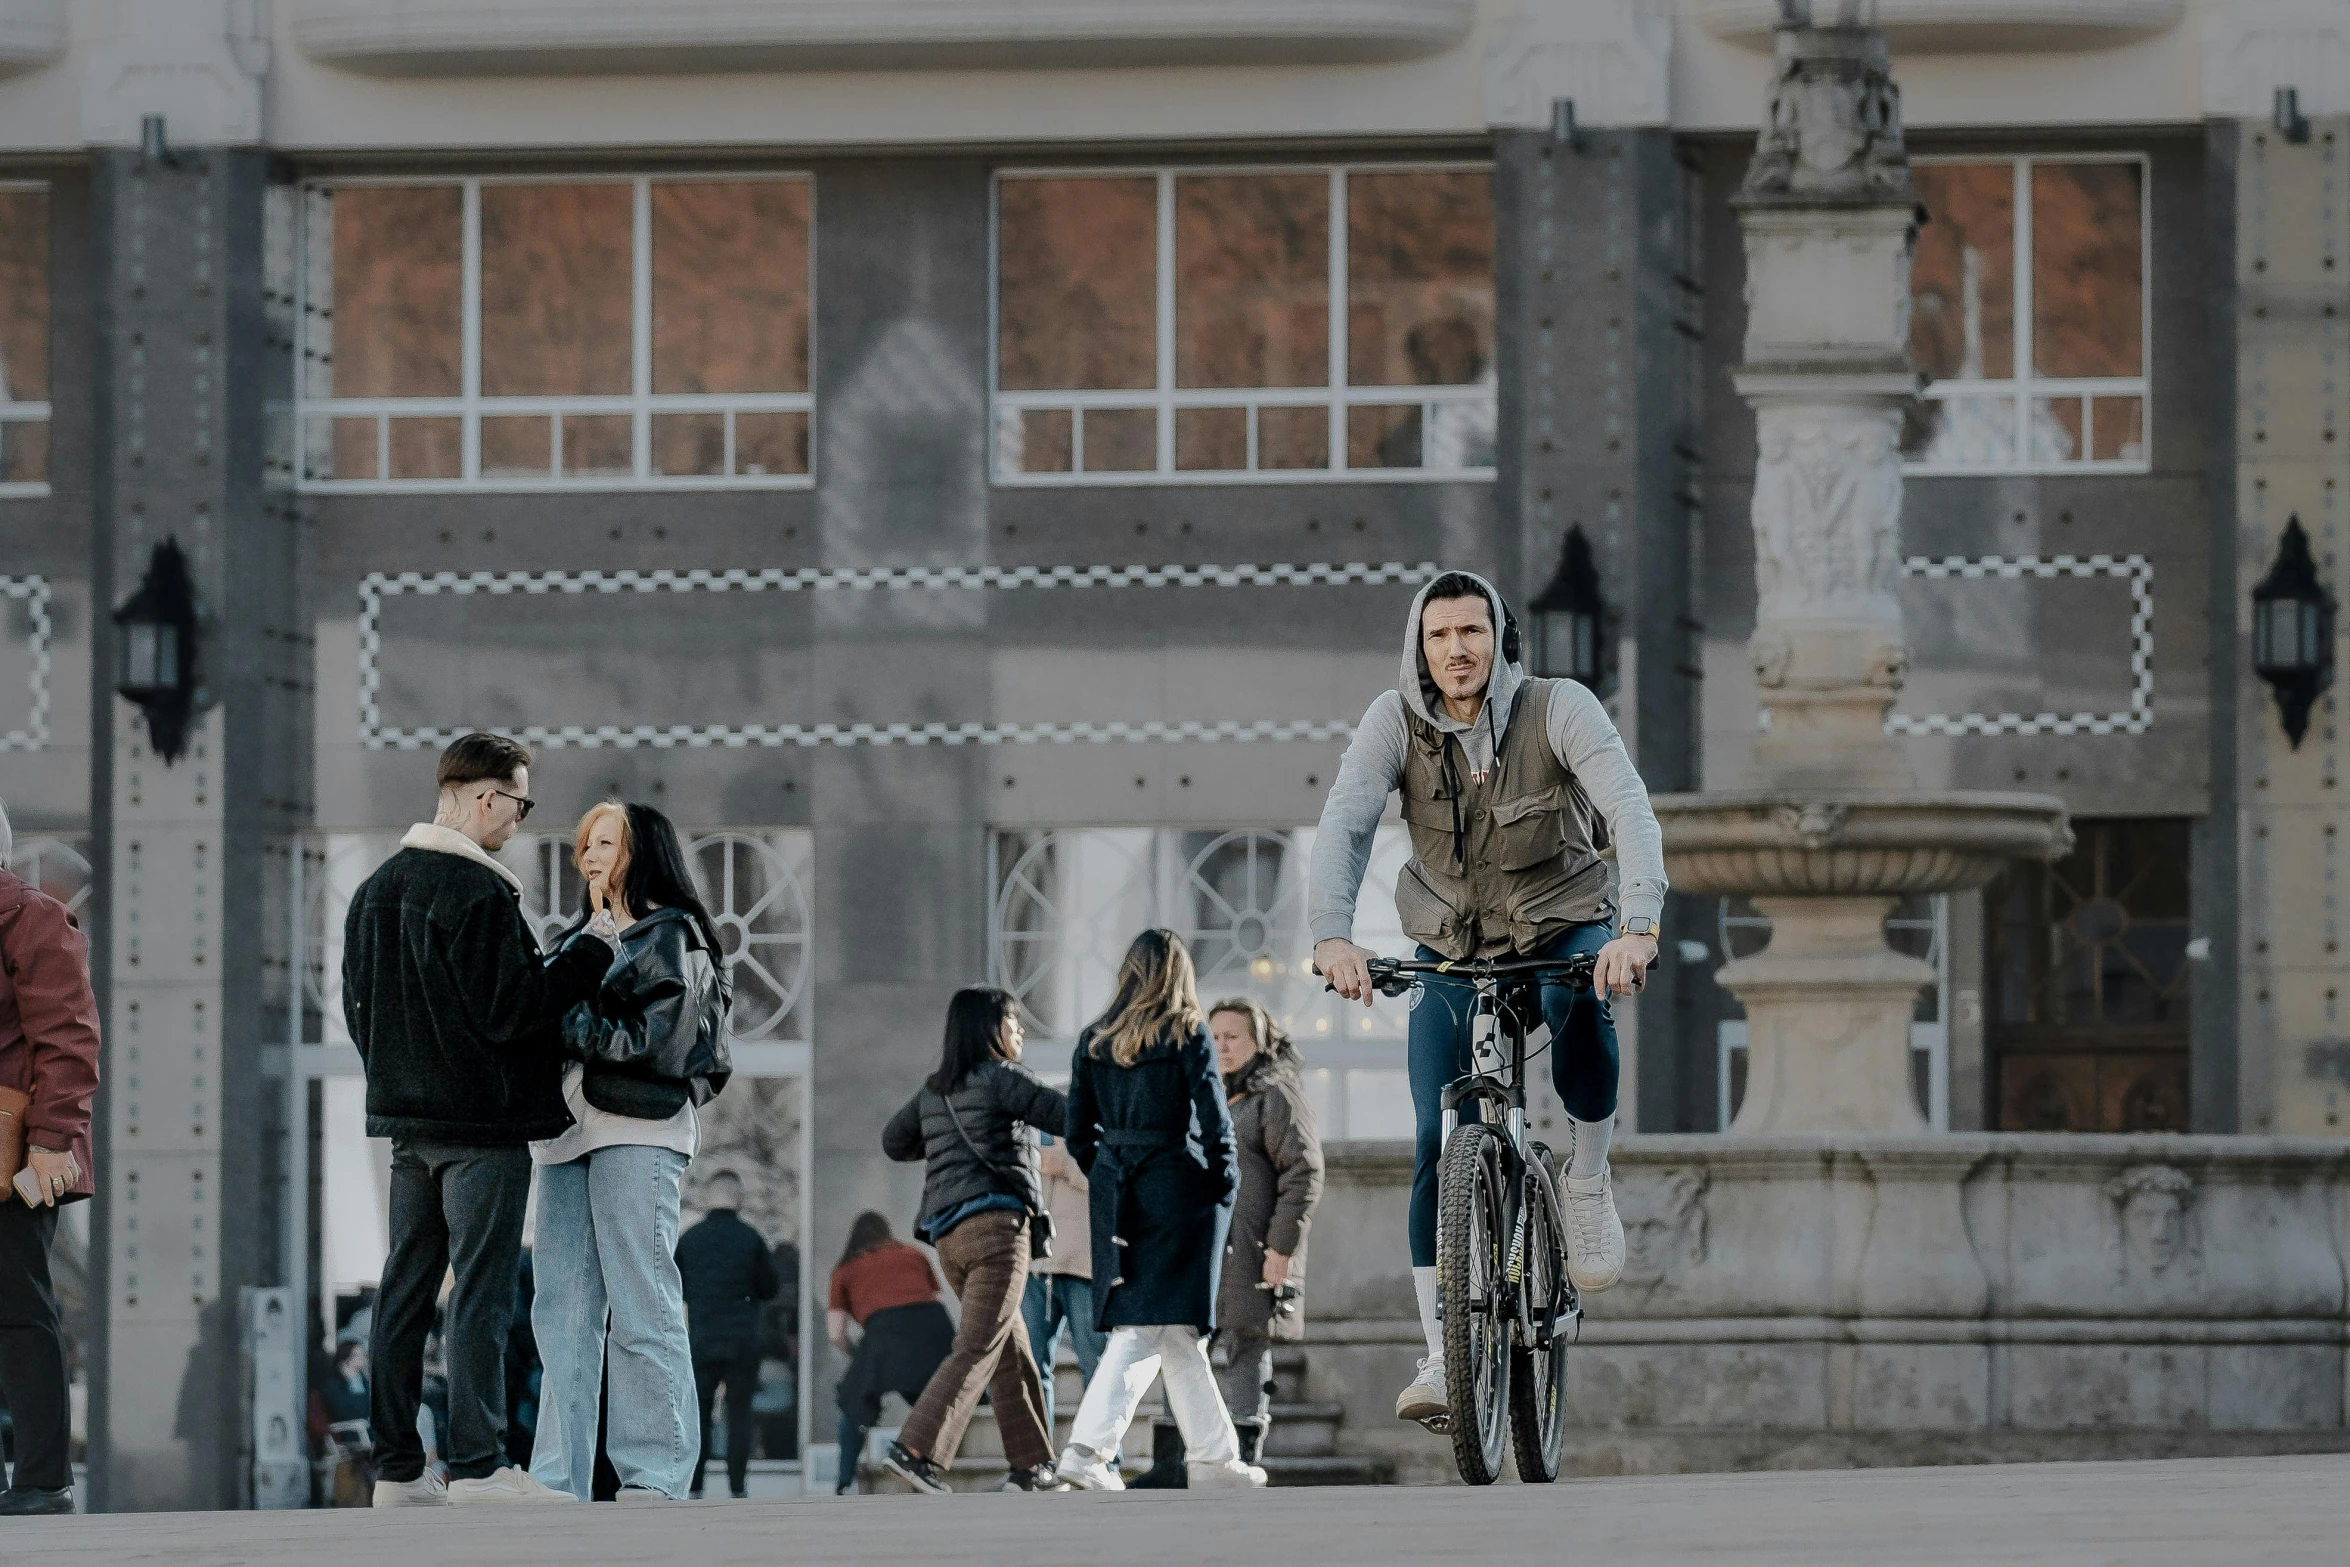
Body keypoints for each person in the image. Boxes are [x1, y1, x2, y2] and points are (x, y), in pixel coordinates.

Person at [1308, 570, 1667, 1429]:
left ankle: (1585, 1174)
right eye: (1438, 635)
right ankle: (1442, 1352)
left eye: (1472, 632)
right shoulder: (1392, 719)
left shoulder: (1559, 705)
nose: (1455, 650)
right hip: (1451, 941)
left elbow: (1628, 807)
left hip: (1564, 922)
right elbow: (1346, 820)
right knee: (1435, 1136)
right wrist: (1331, 933)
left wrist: (1638, 926)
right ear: (1418, 644)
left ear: (1499, 636)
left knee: (1580, 1001)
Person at [342, 733, 611, 1506]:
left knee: (405, 1292)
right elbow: (515, 1013)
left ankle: (396, 1471)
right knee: (482, 1294)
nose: (519, 821)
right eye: (520, 804)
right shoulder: (479, 894)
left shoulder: (374, 891)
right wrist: (588, 954)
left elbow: (358, 1011)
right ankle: (479, 1464)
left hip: (408, 1131)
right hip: (482, 1129)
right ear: (487, 796)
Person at [530, 802, 733, 1504]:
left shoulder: (672, 936)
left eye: (605, 843)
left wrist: (572, 1020)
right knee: (560, 1310)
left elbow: (663, 1040)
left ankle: (654, 1470)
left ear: (639, 851)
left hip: (638, 1129)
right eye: (584, 842)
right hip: (564, 1135)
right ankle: (558, 1474)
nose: (588, 855)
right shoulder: (573, 938)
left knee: (642, 1299)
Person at [1053, 930, 1265, 1493]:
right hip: (1176, 1185)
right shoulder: (1186, 1032)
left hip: (1119, 1191)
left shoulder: (1092, 1040)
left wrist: (1109, 1169)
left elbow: (1077, 1133)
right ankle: (1087, 1450)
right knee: (1143, 1328)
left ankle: (1214, 1460)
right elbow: (1215, 1123)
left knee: (1174, 1332)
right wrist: (1223, 1184)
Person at [879, 988, 1068, 1495]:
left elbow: (894, 1142)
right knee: (978, 1345)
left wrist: (941, 1144)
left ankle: (1032, 1468)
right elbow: (1064, 1116)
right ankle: (915, 1450)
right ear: (989, 1028)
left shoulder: (933, 1091)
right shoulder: (1003, 1078)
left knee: (1011, 1347)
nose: (1020, 1032)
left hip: (950, 1242)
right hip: (998, 1232)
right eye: (1013, 1022)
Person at [0, 797, 100, 1517]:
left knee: (20, 1308)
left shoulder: (31, 917)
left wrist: (48, 1147)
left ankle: (43, 1480)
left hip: (19, 1153)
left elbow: (68, 1039)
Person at [1209, 997, 1322, 1466]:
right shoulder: (1219, 1094)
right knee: (1215, 1345)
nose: (1222, 1047)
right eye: (1214, 1038)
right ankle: (1203, 1457)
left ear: (1259, 1040)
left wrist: (1281, 1248)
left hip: (1257, 1248)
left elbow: (1303, 1171)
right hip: (1218, 1250)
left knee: (1245, 1342)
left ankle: (1244, 1455)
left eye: (1232, 1037)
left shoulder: (1276, 1094)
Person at [826, 1211, 953, 1495]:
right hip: (933, 1325)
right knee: (931, 1397)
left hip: (884, 1332)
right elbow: (937, 1298)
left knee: (854, 1403)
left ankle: (844, 1483)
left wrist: (860, 1355)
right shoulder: (913, 1253)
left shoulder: (845, 1268)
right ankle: (933, 1462)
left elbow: (835, 1334)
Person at [676, 1169, 780, 1500]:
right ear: (738, 1199)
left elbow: (674, 1285)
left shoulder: (690, 1240)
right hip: (742, 1340)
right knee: (739, 1415)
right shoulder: (750, 1238)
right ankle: (737, 1488)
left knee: (700, 1416)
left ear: (709, 1198)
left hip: (702, 1339)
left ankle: (695, 1487)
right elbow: (770, 1287)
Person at [1020, 1129, 1102, 1435]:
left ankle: (1101, 1458)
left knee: (1095, 1367)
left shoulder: (1096, 1126)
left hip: (1083, 1268)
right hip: (1034, 1269)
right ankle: (1037, 1462)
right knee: (1031, 1369)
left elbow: (1112, 1182)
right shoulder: (1026, 1131)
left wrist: (1066, 1163)